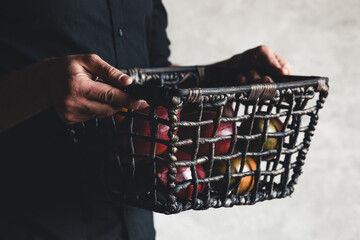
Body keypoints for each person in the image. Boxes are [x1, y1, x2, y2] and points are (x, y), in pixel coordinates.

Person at [0, 1, 292, 239]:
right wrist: (42, 83)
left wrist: (223, 75)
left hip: (133, 223)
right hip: (30, 221)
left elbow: (156, 73)